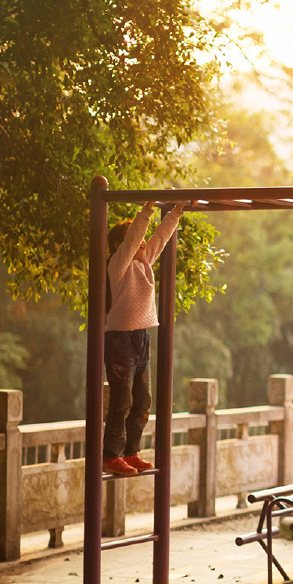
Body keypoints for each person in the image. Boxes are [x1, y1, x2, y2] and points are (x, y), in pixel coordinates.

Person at [103, 200, 186, 477]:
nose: (142, 245)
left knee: (142, 400)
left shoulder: (144, 262)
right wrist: (146, 211)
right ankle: (110, 455)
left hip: (141, 338)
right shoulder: (119, 265)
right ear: (120, 246)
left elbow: (159, 238)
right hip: (120, 340)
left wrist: (177, 212)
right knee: (122, 400)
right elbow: (133, 241)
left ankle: (131, 451)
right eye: (136, 242)